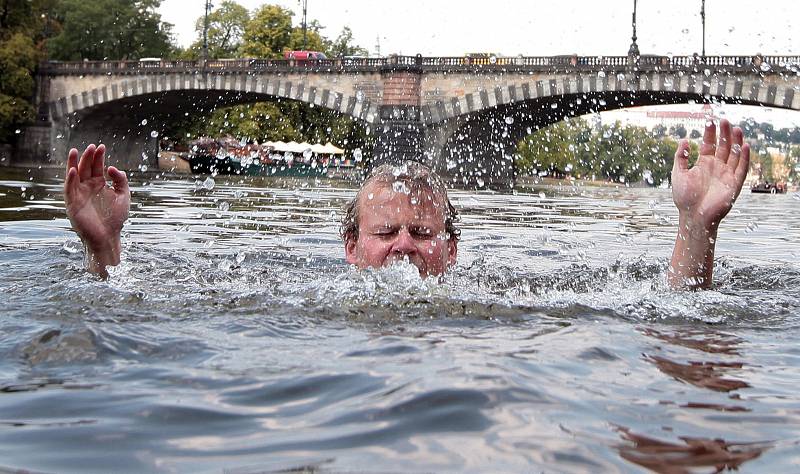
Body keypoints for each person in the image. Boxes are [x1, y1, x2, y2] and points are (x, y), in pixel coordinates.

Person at [63, 119, 750, 289]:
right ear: (350, 247)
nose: (403, 247)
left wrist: (694, 226)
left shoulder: (500, 297)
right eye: (385, 231)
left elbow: (673, 309)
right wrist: (105, 251)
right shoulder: (299, 297)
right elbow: (131, 307)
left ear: (452, 247)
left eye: (422, 232)